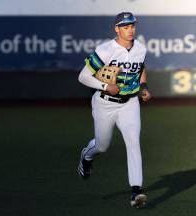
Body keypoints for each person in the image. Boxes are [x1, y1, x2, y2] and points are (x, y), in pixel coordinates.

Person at [77, 12, 151, 208]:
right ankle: (86, 156)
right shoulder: (105, 50)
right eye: (125, 26)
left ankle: (136, 191)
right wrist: (105, 86)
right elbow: (83, 76)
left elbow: (140, 68)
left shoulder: (140, 48)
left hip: (129, 103)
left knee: (134, 142)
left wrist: (143, 88)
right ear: (116, 29)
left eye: (132, 26)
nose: (130, 30)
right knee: (102, 145)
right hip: (104, 102)